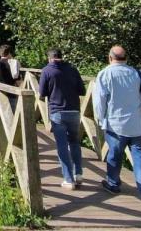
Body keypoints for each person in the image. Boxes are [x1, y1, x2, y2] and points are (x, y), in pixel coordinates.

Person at [93, 45, 141, 206]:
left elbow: (100, 101)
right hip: (136, 125)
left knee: (114, 155)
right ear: (125, 58)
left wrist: (100, 119)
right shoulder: (137, 73)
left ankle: (113, 184)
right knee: (140, 158)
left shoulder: (105, 74)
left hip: (116, 124)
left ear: (110, 57)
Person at [38, 48, 87, 189]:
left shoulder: (47, 71)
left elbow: (42, 93)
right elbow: (82, 91)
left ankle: (68, 179)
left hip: (57, 112)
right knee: (75, 143)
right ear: (61, 57)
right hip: (74, 111)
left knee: (62, 146)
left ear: (49, 58)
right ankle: (78, 174)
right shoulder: (72, 69)